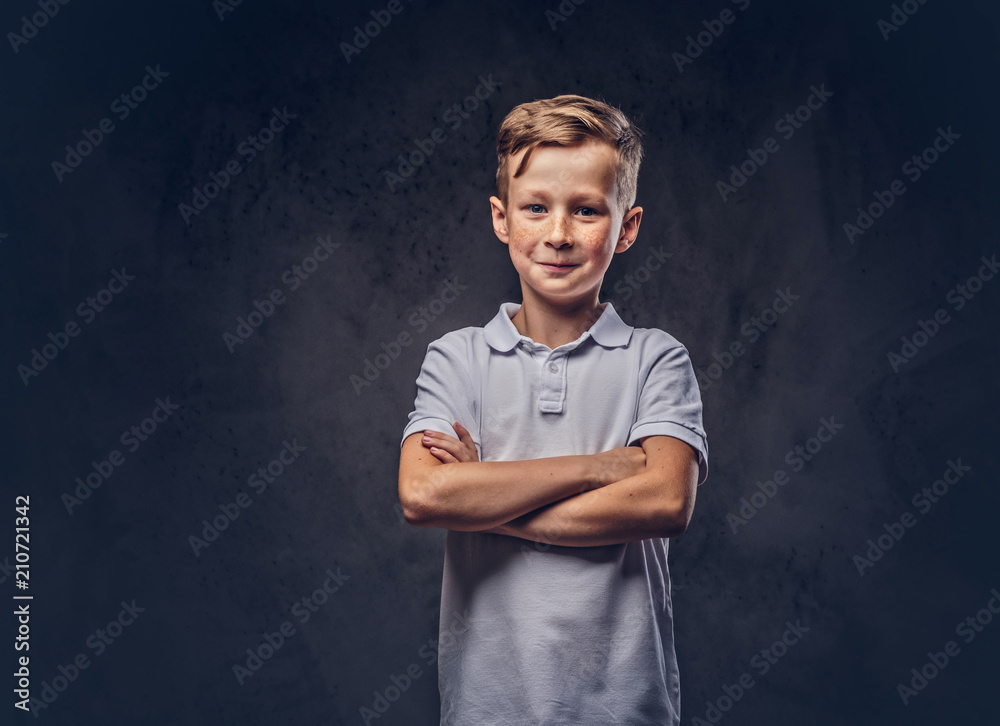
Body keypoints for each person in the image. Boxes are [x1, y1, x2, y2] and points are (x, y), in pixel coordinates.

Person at [397, 93, 709, 725]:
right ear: (501, 218)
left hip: (626, 710)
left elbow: (664, 503)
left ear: (627, 227)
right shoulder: (457, 359)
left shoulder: (657, 359)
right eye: (535, 207)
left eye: (587, 210)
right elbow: (424, 496)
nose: (559, 234)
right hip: (489, 711)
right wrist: (601, 469)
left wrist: (485, 498)